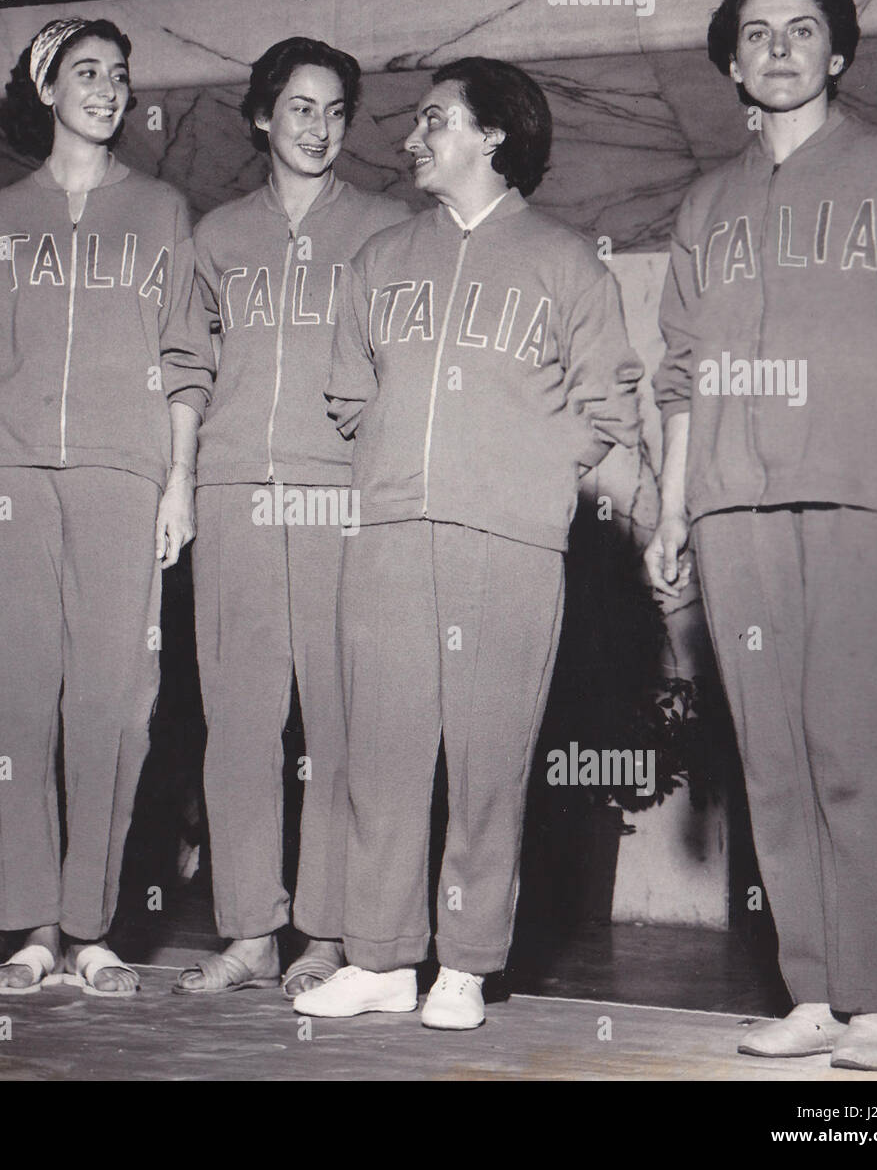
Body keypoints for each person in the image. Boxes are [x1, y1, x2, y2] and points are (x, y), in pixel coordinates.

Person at [645, 0, 877, 1070]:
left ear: (838, 48)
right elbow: (677, 373)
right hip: (731, 505)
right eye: (759, 32)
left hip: (859, 495)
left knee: (860, 756)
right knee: (770, 762)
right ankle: (814, 992)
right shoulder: (705, 201)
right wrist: (671, 512)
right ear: (731, 59)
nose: (780, 47)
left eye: (804, 28)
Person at [296, 57, 643, 1029]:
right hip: (394, 537)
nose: (413, 136)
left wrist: (521, 470)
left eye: (435, 119)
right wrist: (405, 473)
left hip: (510, 543)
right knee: (385, 756)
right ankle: (378, 958)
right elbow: (346, 393)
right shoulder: (379, 260)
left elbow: (607, 407)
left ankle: (466, 962)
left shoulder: (567, 262)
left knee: (488, 760)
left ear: (493, 134)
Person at [0, 18, 208, 997]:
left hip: (122, 476)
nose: (107, 87)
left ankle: (93, 926)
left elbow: (186, 359)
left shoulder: (163, 210)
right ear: (47, 90)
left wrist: (177, 482)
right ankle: (32, 926)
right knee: (17, 703)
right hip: (7, 481)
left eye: (119, 75)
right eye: (86, 72)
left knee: (117, 705)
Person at [166, 38, 410, 998]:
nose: (317, 126)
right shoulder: (216, 236)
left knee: (340, 722)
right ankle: (248, 931)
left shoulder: (391, 230)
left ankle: (329, 930)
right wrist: (181, 479)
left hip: (340, 496)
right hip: (235, 492)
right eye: (299, 107)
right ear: (263, 117)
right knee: (237, 720)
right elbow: (187, 366)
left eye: (335, 110)